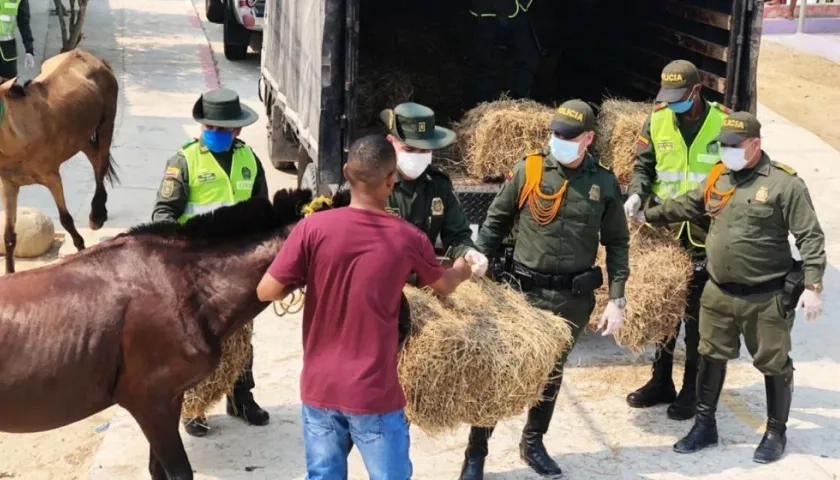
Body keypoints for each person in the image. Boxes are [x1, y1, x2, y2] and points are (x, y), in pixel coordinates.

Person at [255, 134, 475, 480]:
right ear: (392, 180)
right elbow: (444, 287)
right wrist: (462, 270)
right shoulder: (408, 238)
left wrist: (305, 277)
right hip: (375, 393)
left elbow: (266, 291)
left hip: (319, 389)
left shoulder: (312, 228)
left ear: (346, 172)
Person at [636, 111, 826, 464]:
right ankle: (705, 426)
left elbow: (810, 236)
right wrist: (646, 214)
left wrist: (814, 284)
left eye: (735, 146)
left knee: (774, 363)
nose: (728, 151)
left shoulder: (786, 185)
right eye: (723, 146)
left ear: (756, 144)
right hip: (719, 292)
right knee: (710, 354)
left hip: (766, 297)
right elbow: (689, 204)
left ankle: (775, 431)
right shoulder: (719, 177)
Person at [457, 99, 631, 479]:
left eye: (568, 136)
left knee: (550, 373)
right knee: (499, 370)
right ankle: (476, 453)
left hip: (571, 298)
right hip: (523, 293)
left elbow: (618, 241)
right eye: (554, 134)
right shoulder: (531, 169)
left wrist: (617, 297)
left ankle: (533, 441)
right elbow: (496, 221)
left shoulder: (602, 182)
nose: (558, 141)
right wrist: (477, 269)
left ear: (587, 138)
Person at [150, 87, 271, 437]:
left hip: (239, 267)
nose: (216, 133)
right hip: (198, 269)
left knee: (242, 331)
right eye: (210, 127)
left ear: (237, 130)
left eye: (223, 129)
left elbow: (262, 210)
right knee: (197, 338)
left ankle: (241, 397)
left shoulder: (250, 159)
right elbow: (163, 212)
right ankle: (195, 406)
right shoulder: (184, 161)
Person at [623, 59, 732, 421]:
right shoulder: (656, 118)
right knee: (665, 310)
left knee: (698, 316)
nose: (671, 104)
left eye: (679, 97)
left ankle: (691, 387)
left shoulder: (724, 121)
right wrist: (637, 193)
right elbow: (644, 165)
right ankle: (661, 380)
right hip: (664, 230)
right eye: (666, 97)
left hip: (706, 233)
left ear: (697, 91)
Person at [380, 102, 489, 275]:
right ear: (391, 142)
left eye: (424, 151)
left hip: (424, 283)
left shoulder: (438, 184)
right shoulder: (375, 182)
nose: (417, 157)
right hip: (383, 279)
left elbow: (456, 235)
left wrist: (468, 252)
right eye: (409, 149)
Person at [470, 0, 541, 106]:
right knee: (485, 65)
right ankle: (483, 109)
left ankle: (521, 105)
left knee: (526, 62)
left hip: (515, 10)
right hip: (485, 14)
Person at [0, 0, 35, 80]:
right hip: (8, 51)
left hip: (7, 52)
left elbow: (24, 24)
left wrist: (29, 50)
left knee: (10, 88)